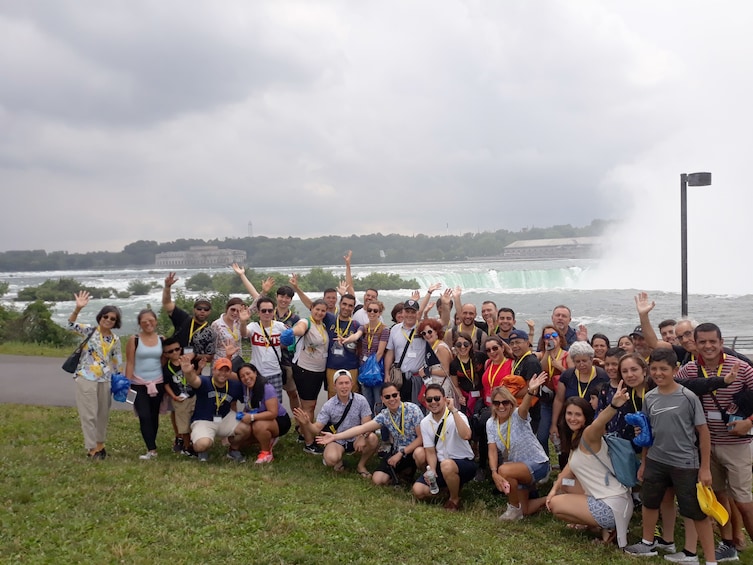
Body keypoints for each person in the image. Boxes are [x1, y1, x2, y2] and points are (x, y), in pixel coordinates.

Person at [624, 348, 717, 562]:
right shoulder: (650, 397)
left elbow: (703, 432)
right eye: (654, 369)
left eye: (663, 369)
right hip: (656, 460)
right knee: (650, 501)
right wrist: (644, 463)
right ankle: (649, 543)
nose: (658, 373)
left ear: (675, 370)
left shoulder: (688, 396)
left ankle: (702, 557)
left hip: (685, 463)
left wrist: (704, 468)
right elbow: (648, 432)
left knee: (694, 511)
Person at [676, 323, 753, 562]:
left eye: (713, 341)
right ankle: (728, 543)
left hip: (736, 444)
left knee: (742, 500)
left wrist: (749, 422)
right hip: (706, 447)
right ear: (695, 344)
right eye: (703, 342)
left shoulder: (741, 367)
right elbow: (672, 387)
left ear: (721, 342)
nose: (708, 346)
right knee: (718, 497)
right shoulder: (689, 370)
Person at [546, 389, 634, 548]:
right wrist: (555, 487)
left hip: (611, 506)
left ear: (586, 417)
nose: (572, 418)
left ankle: (605, 526)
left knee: (555, 504)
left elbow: (599, 422)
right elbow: (569, 467)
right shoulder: (575, 437)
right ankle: (597, 524)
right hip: (612, 499)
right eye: (569, 413)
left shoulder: (588, 434)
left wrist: (613, 405)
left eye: (578, 414)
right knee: (565, 483)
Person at [317, 382, 426, 485]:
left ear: (399, 395)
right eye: (387, 397)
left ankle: (426, 478)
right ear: (382, 399)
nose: (392, 399)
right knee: (377, 480)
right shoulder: (384, 415)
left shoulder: (413, 409)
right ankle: (404, 473)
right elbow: (362, 428)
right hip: (397, 451)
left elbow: (421, 438)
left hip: (413, 450)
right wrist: (335, 436)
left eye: (394, 395)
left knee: (419, 453)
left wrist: (401, 453)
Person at [66, 291, 123, 460]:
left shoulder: (115, 339)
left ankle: (100, 444)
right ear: (100, 317)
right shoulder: (89, 330)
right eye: (106, 316)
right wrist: (78, 308)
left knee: (102, 414)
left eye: (112, 318)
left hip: (104, 380)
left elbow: (117, 360)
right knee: (89, 414)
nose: (108, 320)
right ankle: (91, 449)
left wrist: (120, 379)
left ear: (116, 322)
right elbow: (70, 325)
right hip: (86, 377)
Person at [488, 374, 551, 521]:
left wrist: (530, 392)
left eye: (505, 402)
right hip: (517, 468)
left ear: (511, 403)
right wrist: (493, 472)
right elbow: (491, 449)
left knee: (504, 469)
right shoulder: (490, 423)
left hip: (537, 463)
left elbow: (524, 408)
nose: (501, 406)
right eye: (497, 403)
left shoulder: (517, 415)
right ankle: (553, 497)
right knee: (526, 510)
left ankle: (513, 509)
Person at [294, 370, 378, 477]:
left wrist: (363, 436)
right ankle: (338, 461)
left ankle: (361, 465)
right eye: (340, 383)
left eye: (347, 383)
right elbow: (316, 429)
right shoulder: (328, 405)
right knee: (331, 459)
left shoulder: (361, 400)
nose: (344, 387)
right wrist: (307, 423)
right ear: (334, 386)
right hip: (337, 439)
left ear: (351, 384)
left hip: (356, 437)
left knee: (373, 438)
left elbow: (367, 424)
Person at [412, 384, 476, 511]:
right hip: (442, 464)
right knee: (418, 491)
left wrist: (453, 410)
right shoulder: (425, 422)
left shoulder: (457, 415)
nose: (433, 402)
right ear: (425, 401)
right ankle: (445, 489)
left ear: (445, 399)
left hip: (464, 462)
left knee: (447, 465)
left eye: (437, 398)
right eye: (429, 400)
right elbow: (430, 451)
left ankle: (454, 498)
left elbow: (467, 435)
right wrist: (433, 470)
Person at [550, 341, 609, 470]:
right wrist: (554, 424)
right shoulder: (567, 375)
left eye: (584, 361)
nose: (581, 365)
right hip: (569, 420)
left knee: (590, 453)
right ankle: (565, 478)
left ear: (591, 359)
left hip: (592, 422)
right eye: (577, 362)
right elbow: (559, 399)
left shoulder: (602, 376)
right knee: (566, 452)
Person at [180, 356, 247, 463]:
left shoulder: (235, 386)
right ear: (213, 370)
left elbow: (247, 397)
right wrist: (188, 372)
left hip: (224, 417)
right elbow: (194, 380)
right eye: (220, 370)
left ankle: (233, 450)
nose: (223, 373)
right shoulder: (205, 381)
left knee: (246, 429)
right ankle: (202, 449)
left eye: (227, 371)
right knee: (203, 444)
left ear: (230, 373)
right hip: (203, 420)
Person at [290, 298, 330, 455]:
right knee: (308, 407)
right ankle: (309, 442)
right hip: (305, 370)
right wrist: (293, 331)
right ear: (311, 309)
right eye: (317, 309)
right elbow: (300, 328)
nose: (319, 312)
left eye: (323, 310)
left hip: (318, 371)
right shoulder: (306, 322)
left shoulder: (323, 325)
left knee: (308, 405)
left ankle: (302, 432)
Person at [125, 309, 165, 460]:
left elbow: (163, 361)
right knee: (144, 415)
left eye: (151, 320)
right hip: (138, 383)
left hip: (158, 383)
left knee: (154, 415)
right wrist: (127, 383)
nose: (148, 324)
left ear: (156, 321)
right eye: (144, 322)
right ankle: (151, 449)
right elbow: (130, 362)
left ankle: (152, 444)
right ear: (140, 324)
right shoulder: (134, 339)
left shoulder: (162, 339)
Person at [235, 363, 291, 464]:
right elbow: (227, 374)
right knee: (239, 442)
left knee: (259, 426)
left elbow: (273, 413)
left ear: (255, 373)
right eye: (242, 376)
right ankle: (267, 438)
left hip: (279, 420)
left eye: (248, 373)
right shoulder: (244, 387)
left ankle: (266, 453)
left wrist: (251, 417)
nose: (246, 377)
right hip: (258, 416)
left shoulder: (267, 387)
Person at [161, 272, 216, 364]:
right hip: (172, 364)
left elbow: (210, 357)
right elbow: (167, 304)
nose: (202, 311)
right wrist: (167, 287)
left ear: (210, 311)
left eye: (206, 309)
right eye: (199, 308)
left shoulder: (210, 332)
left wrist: (194, 356)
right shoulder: (183, 318)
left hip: (193, 370)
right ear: (194, 309)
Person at [384, 299, 426, 405]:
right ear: (403, 312)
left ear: (417, 314)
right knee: (398, 407)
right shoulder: (394, 329)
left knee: (417, 408)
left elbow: (443, 324)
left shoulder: (423, 329)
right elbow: (390, 352)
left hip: (417, 378)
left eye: (413, 312)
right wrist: (387, 373)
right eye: (407, 312)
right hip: (399, 378)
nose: (410, 315)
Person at [245, 296, 286, 404]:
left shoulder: (280, 326)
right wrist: (242, 321)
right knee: (256, 404)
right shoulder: (253, 326)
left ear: (273, 312)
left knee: (276, 405)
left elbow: (290, 341)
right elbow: (244, 333)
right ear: (258, 313)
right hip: (257, 373)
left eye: (270, 310)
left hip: (275, 372)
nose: (267, 313)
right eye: (263, 311)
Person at [535, 325, 569, 452]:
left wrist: (559, 367)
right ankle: (546, 463)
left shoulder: (567, 355)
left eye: (554, 336)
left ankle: (563, 462)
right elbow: (541, 370)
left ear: (560, 338)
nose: (551, 339)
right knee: (542, 436)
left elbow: (572, 376)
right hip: (547, 401)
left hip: (564, 400)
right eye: (547, 336)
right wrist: (548, 351)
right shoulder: (543, 355)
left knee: (563, 436)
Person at [161, 337, 196, 456]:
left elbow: (195, 376)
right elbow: (166, 385)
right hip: (179, 399)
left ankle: (194, 444)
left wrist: (200, 367)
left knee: (194, 421)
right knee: (184, 424)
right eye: (170, 351)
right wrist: (173, 397)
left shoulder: (187, 361)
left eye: (177, 349)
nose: (175, 352)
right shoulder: (166, 368)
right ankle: (187, 447)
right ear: (165, 354)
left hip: (193, 395)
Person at [356, 299, 390, 413]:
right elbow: (356, 336)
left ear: (379, 313)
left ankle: (378, 425)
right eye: (370, 310)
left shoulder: (384, 329)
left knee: (378, 399)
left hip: (375, 370)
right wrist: (346, 340)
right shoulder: (363, 327)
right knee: (366, 399)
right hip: (363, 368)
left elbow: (380, 352)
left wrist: (370, 370)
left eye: (375, 311)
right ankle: (367, 424)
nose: (372, 313)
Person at [417, 318, 460, 406]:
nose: (427, 335)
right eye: (424, 333)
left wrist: (427, 371)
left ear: (436, 331)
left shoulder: (441, 348)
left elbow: (446, 371)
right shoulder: (432, 347)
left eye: (429, 332)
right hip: (434, 385)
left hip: (443, 387)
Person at [449, 331, 485, 417]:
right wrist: (460, 397)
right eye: (458, 345)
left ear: (471, 345)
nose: (462, 347)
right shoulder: (453, 364)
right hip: (466, 397)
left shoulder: (480, 356)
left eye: (466, 344)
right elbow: (456, 385)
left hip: (482, 395)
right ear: (455, 346)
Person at [211, 297, 250, 366]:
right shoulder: (216, 325)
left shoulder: (238, 322)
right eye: (233, 309)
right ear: (227, 309)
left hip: (237, 361)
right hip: (221, 363)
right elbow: (213, 347)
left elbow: (255, 306)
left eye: (238, 311)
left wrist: (264, 292)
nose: (235, 313)